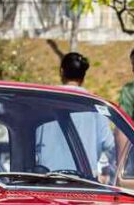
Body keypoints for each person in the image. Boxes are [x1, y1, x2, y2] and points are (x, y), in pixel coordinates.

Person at [33, 52, 116, 180]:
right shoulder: (94, 105)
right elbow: (109, 144)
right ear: (83, 76)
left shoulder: (43, 102)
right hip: (84, 183)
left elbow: (31, 142)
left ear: (61, 71)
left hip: (47, 181)